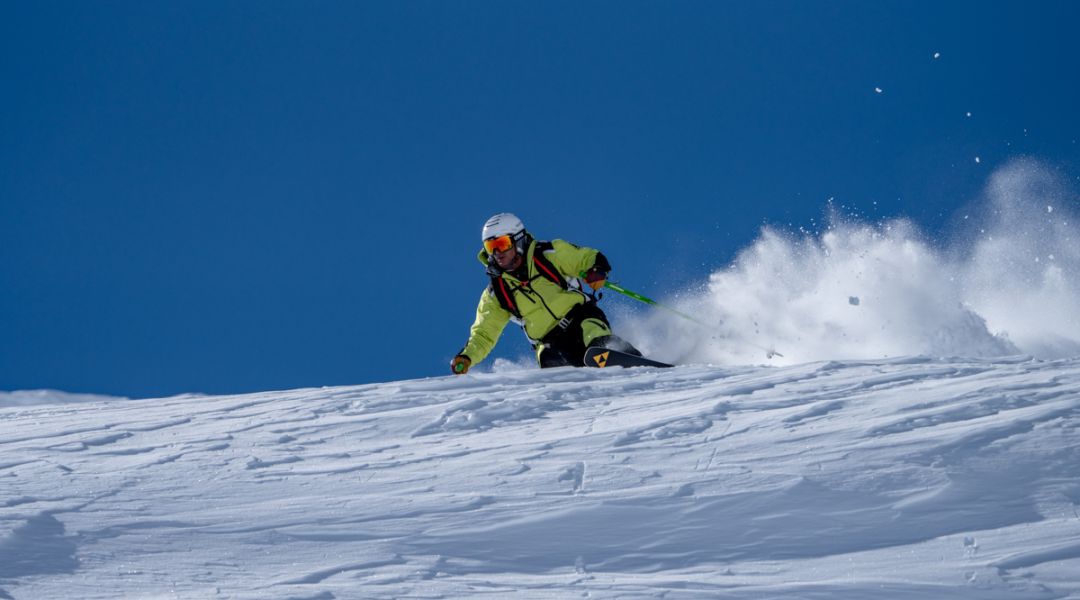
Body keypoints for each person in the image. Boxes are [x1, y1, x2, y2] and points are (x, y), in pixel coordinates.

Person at [451, 213, 641, 374]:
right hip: (549, 341)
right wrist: (467, 357)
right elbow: (484, 334)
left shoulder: (547, 254)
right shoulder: (497, 292)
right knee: (549, 361)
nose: (497, 253)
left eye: (502, 243)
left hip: (580, 318)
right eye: (491, 248)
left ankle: (634, 363)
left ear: (517, 240)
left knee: (596, 340)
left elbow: (585, 258)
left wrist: (596, 270)